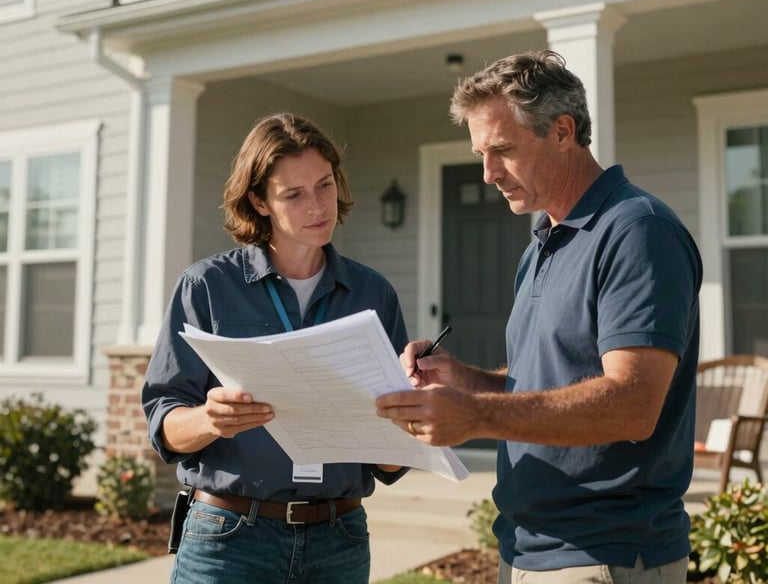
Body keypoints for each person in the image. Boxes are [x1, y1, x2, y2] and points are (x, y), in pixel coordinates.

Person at [376, 50, 702, 584]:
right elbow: (555, 379)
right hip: (528, 547)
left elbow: (634, 403)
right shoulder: (541, 246)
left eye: (502, 150)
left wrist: (476, 416)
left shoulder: (637, 231)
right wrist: (468, 381)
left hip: (604, 552)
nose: (487, 174)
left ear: (562, 131)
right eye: (481, 153)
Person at [142, 113, 408, 584]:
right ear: (258, 202)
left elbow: (391, 456)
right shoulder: (205, 287)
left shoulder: (374, 294)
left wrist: (408, 425)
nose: (317, 205)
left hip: (339, 540)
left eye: (324, 185)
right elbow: (163, 425)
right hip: (228, 539)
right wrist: (209, 420)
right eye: (294, 194)